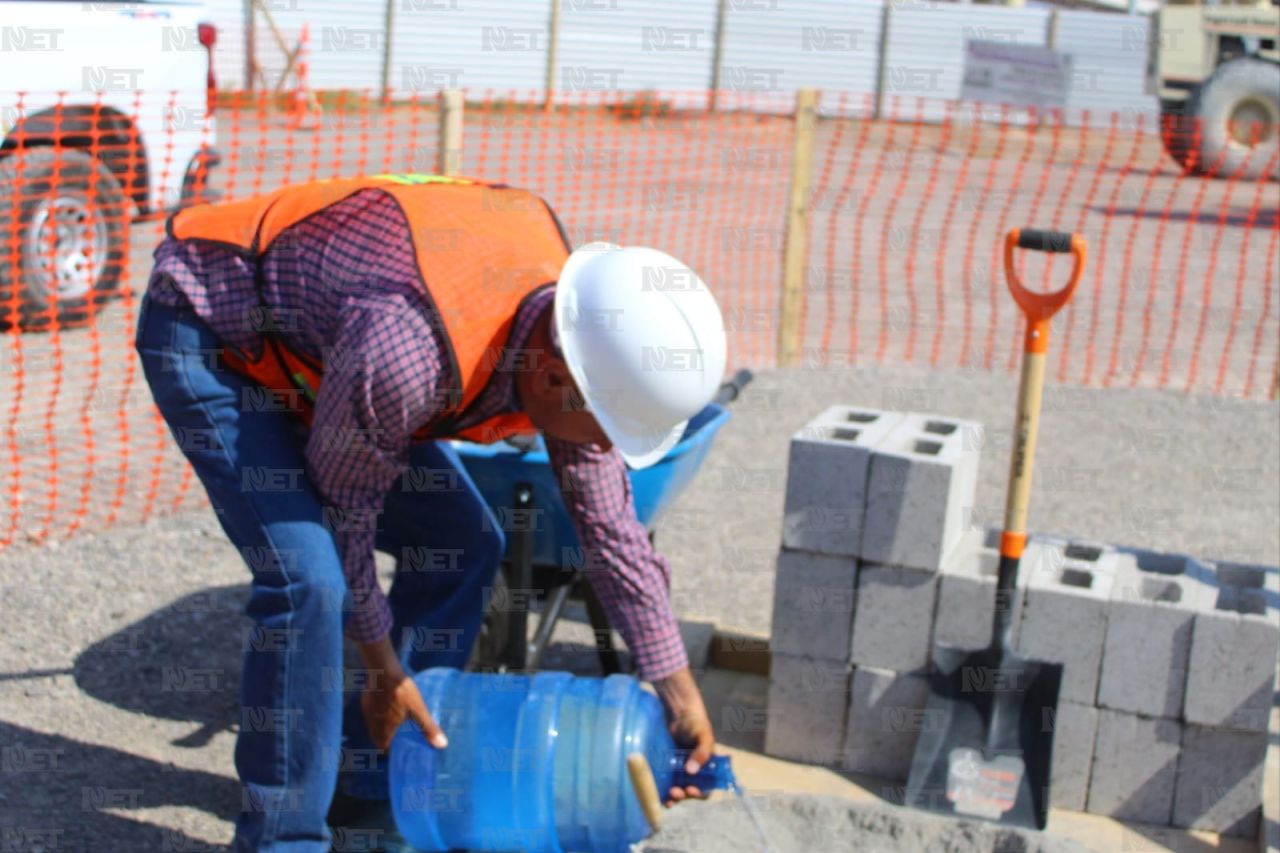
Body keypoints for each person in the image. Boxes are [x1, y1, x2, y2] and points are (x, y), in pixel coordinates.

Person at [134, 173, 728, 851]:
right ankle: (283, 837)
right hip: (215, 330)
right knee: (310, 581)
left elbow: (613, 531)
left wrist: (681, 697)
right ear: (556, 375)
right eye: (603, 428)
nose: (601, 449)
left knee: (464, 541)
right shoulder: (409, 353)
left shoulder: (572, 334)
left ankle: (368, 778)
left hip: (326, 355)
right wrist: (386, 669)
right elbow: (344, 514)